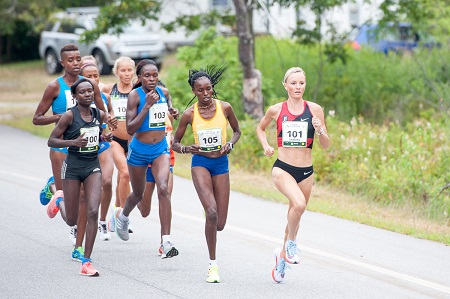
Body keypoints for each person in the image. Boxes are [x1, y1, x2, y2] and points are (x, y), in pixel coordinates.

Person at [34, 44, 115, 247]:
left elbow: (101, 113)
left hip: (87, 147)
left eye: (78, 59)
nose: (76, 63)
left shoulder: (89, 85)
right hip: (62, 148)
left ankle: (78, 240)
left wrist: (105, 132)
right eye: (70, 60)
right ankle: (54, 188)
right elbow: (37, 118)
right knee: (69, 199)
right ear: (62, 63)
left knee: (83, 197)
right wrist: (62, 117)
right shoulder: (55, 86)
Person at [256, 67, 330, 283]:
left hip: (306, 172)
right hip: (283, 168)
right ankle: (291, 244)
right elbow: (260, 129)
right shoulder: (276, 110)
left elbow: (325, 145)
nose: (298, 87)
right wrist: (265, 145)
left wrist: (320, 130)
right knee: (299, 205)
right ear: (285, 85)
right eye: (294, 83)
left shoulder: (315, 109)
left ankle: (281, 259)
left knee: (294, 216)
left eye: (301, 83)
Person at [172, 65, 241, 283]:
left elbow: (238, 131)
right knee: (211, 213)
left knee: (219, 223)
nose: (205, 94)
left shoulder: (226, 108)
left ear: (212, 88)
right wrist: (186, 149)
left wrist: (230, 143)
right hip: (200, 163)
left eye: (208, 89)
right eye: (200, 90)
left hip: (221, 164)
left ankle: (210, 213)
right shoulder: (189, 114)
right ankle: (213, 266)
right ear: (194, 91)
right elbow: (174, 143)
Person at [113, 59, 179, 259]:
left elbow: (168, 111)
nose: (152, 79)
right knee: (139, 195)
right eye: (147, 76)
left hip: (160, 150)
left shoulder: (164, 93)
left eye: (155, 75)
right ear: (139, 77)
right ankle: (122, 216)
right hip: (138, 151)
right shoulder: (135, 96)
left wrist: (172, 112)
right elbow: (131, 128)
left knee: (164, 188)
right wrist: (146, 106)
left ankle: (166, 241)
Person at [47, 77, 113, 276]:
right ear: (75, 96)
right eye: (82, 92)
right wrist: (73, 143)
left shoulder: (98, 114)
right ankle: (58, 198)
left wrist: (105, 137)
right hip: (73, 168)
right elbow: (52, 140)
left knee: (93, 211)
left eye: (90, 91)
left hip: (92, 166)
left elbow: (97, 134)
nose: (87, 94)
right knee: (72, 220)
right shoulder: (68, 116)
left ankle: (86, 261)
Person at [81, 62, 115, 241]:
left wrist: (109, 127)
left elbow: (109, 116)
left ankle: (102, 220)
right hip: (83, 147)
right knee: (83, 192)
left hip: (102, 144)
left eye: (96, 76)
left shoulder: (105, 97)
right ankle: (79, 225)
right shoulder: (78, 98)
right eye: (88, 76)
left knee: (107, 181)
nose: (93, 79)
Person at [101, 57, 135, 233]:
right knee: (126, 174)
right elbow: (95, 101)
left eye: (130, 70)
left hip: (135, 141)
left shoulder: (138, 90)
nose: (127, 74)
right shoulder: (108, 90)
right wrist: (107, 117)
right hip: (115, 140)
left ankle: (115, 212)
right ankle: (123, 217)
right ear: (116, 72)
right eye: (123, 70)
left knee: (122, 179)